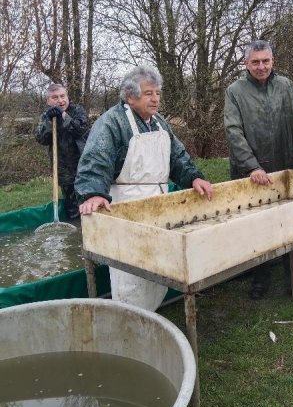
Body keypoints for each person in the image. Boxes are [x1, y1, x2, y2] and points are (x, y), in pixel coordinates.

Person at [75, 64, 213, 311]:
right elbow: (96, 158)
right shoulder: (111, 123)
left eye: (158, 93)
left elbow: (177, 157)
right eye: (149, 93)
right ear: (130, 96)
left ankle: (154, 313)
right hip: (126, 206)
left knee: (158, 262)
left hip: (159, 204)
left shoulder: (159, 124)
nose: (156, 99)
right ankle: (129, 315)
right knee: (131, 267)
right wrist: (94, 192)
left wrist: (194, 178)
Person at [224, 39, 293, 302]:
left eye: (265, 61)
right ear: (246, 63)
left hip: (286, 165)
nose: (261, 66)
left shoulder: (286, 86)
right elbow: (234, 132)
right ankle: (260, 278)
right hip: (252, 172)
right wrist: (251, 166)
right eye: (255, 62)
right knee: (256, 227)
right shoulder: (235, 91)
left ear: (272, 61)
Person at [35, 83, 89, 220]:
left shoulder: (77, 111)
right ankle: (77, 234)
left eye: (62, 96)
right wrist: (48, 121)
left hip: (84, 165)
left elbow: (80, 130)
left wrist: (63, 115)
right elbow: (41, 139)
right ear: (48, 101)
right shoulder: (46, 116)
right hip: (63, 168)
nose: (60, 100)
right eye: (55, 97)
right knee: (73, 208)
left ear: (67, 97)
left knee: (88, 202)